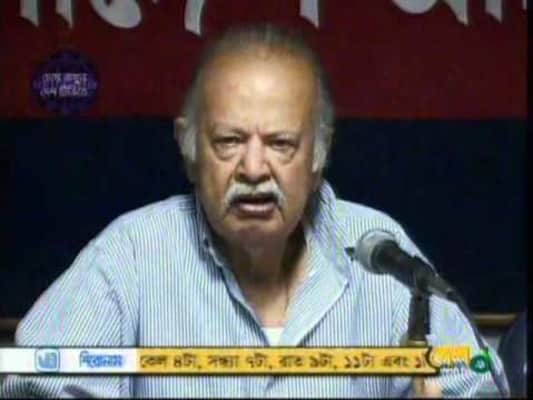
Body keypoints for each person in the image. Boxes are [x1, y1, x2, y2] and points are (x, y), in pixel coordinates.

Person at [1, 24, 508, 398]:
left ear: (318, 155)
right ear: (189, 148)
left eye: (281, 143)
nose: (253, 168)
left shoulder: (382, 254)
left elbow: (478, 383)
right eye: (228, 141)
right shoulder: (131, 255)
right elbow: (33, 383)